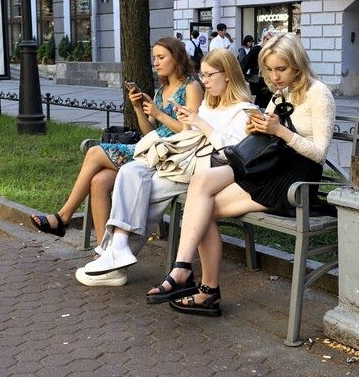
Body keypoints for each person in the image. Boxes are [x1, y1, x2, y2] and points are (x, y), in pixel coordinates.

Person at [144, 32, 335, 316]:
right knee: (201, 189)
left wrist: (279, 131)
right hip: (268, 167)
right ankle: (185, 271)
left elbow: (320, 153)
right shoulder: (280, 93)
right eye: (269, 69)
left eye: (281, 69)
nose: (274, 76)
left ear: (298, 64)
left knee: (202, 210)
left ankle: (203, 288)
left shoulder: (318, 93)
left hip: (294, 179)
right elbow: (263, 138)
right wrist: (254, 129)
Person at [78, 49, 256, 287]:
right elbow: (190, 137)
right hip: (181, 160)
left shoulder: (243, 110)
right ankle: (117, 249)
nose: (204, 81)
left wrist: (199, 123)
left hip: (204, 170)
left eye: (209, 75)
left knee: (144, 193)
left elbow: (232, 154)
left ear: (228, 74)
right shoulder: (209, 104)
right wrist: (188, 122)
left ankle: (114, 263)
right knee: (130, 172)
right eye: (202, 75)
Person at [29, 37, 204, 245]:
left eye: (161, 57)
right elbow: (149, 132)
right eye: (154, 58)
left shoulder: (191, 86)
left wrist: (159, 114)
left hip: (173, 156)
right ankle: (104, 249)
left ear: (176, 58)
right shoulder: (161, 90)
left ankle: (63, 217)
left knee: (94, 152)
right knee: (99, 181)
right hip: (151, 149)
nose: (156, 63)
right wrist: (138, 108)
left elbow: (192, 130)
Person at [241, 30, 277, 108]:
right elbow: (244, 65)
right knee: (261, 103)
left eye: (272, 40)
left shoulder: (272, 51)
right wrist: (244, 79)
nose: (270, 42)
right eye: (268, 39)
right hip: (259, 82)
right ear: (264, 39)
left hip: (269, 82)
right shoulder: (257, 49)